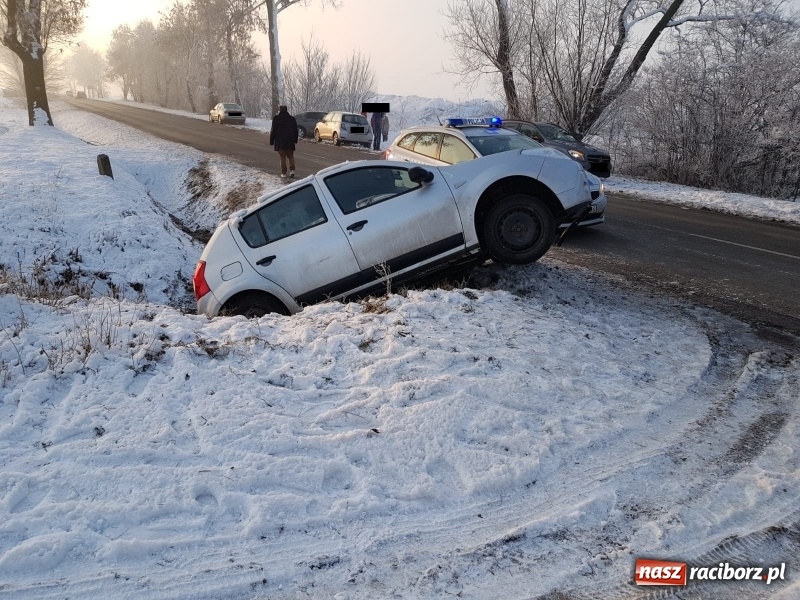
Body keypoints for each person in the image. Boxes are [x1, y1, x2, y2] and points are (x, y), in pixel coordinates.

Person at [269, 105, 298, 178]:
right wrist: (295, 139)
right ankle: (292, 171)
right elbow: (295, 130)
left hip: (280, 141)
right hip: (290, 141)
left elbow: (273, 130)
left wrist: (271, 141)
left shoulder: (276, 119)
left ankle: (284, 173)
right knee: (290, 156)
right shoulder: (292, 119)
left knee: (282, 157)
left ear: (280, 110)